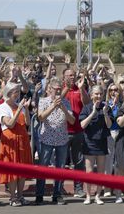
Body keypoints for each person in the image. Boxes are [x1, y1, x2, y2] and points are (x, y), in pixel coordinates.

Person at [35, 77, 75, 205]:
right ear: (49, 89)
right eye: (55, 90)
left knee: (60, 168)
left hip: (62, 140)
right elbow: (41, 117)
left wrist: (62, 107)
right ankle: (39, 195)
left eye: (59, 90)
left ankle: (57, 194)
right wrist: (53, 106)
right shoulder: (43, 101)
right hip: (46, 139)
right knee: (43, 168)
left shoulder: (66, 102)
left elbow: (72, 120)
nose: (58, 92)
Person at [0, 82, 33, 207]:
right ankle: (12, 197)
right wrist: (19, 109)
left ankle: (20, 196)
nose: (17, 94)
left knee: (21, 170)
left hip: (22, 139)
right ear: (9, 93)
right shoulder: (3, 107)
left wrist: (26, 109)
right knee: (12, 170)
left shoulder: (19, 105)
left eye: (18, 91)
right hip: (10, 140)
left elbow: (27, 122)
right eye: (15, 92)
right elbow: (10, 124)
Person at [79, 85, 113, 205]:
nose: (98, 96)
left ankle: (98, 195)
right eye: (96, 94)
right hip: (89, 142)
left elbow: (109, 125)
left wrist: (105, 114)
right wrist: (93, 112)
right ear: (91, 95)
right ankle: (88, 196)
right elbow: (82, 125)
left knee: (100, 171)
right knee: (89, 172)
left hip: (102, 142)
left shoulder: (106, 108)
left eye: (100, 94)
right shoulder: (87, 108)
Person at [62, 68, 90, 198]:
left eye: (74, 75)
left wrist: (82, 88)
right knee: (61, 161)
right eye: (70, 75)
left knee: (78, 161)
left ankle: (78, 188)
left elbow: (87, 103)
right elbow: (57, 100)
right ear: (64, 77)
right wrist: (66, 88)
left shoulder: (79, 88)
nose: (72, 77)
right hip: (63, 131)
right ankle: (59, 187)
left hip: (78, 131)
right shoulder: (60, 88)